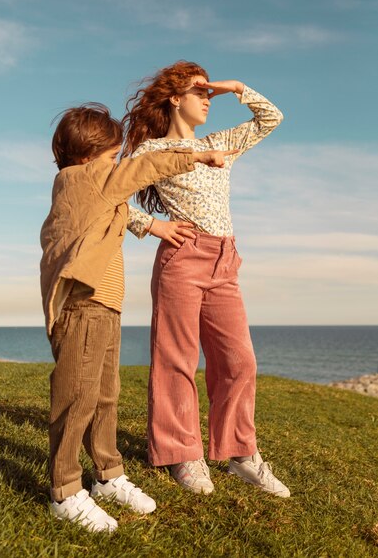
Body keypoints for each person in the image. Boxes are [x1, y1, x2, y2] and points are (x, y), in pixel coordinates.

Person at [40, 102, 237, 534]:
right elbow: (143, 168)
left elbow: (121, 208)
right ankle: (65, 490)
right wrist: (199, 154)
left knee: (105, 395)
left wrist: (155, 228)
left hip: (105, 305)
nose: (117, 164)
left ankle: (108, 475)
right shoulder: (84, 178)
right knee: (76, 398)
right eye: (112, 155)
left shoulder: (91, 185)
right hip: (83, 304)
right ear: (89, 154)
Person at [124, 60, 290, 498]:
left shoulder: (221, 142)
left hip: (225, 261)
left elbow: (271, 118)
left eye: (210, 95)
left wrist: (235, 86)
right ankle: (184, 455)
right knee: (177, 360)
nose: (207, 101)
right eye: (200, 93)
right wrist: (152, 226)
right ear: (175, 99)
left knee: (239, 361)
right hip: (182, 258)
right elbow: (109, 195)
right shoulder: (151, 153)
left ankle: (241, 454)